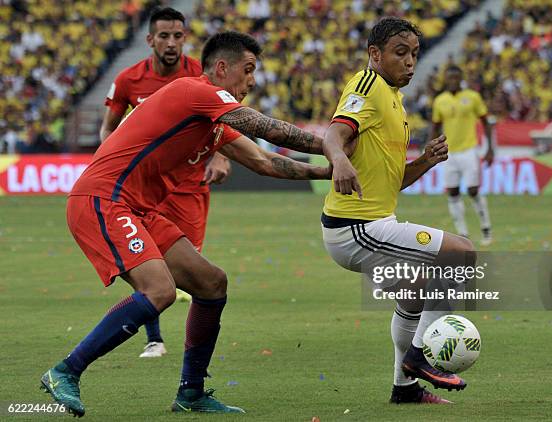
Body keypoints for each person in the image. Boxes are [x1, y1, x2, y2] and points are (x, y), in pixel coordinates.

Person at [40, 31, 330, 417]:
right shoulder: (195, 91)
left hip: (138, 209)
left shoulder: (210, 120)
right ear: (221, 68)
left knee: (211, 283)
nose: (252, 81)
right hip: (103, 199)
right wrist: (334, 144)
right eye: (247, 70)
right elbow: (266, 128)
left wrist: (331, 171)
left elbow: (265, 162)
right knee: (158, 290)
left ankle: (191, 393)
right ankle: (66, 371)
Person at [320, 17, 474, 405]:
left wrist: (424, 162)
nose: (410, 63)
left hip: (373, 223)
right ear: (375, 54)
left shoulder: (394, 99)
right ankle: (420, 357)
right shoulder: (366, 87)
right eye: (400, 53)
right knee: (462, 251)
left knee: (415, 292)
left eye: (415, 55)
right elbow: (334, 134)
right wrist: (338, 159)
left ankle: (403, 389)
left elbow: (392, 180)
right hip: (354, 228)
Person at [100, 6, 232, 359]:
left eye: (177, 36)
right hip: (142, 188)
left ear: (185, 38)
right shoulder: (128, 80)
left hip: (190, 186)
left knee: (191, 272)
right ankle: (154, 338)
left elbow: (226, 122)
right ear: (149, 40)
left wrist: (220, 155)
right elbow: (108, 128)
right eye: (164, 36)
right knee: (150, 263)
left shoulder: (200, 77)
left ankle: (190, 363)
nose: (171, 43)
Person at [430, 65, 494, 245]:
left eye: (456, 78)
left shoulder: (472, 97)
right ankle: (463, 233)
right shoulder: (440, 100)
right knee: (453, 192)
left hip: (469, 150)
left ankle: (486, 227)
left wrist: (490, 149)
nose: (453, 81)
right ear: (445, 79)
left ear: (461, 78)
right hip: (449, 153)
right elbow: (435, 126)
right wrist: (429, 150)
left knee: (473, 190)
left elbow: (486, 122)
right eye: (450, 78)